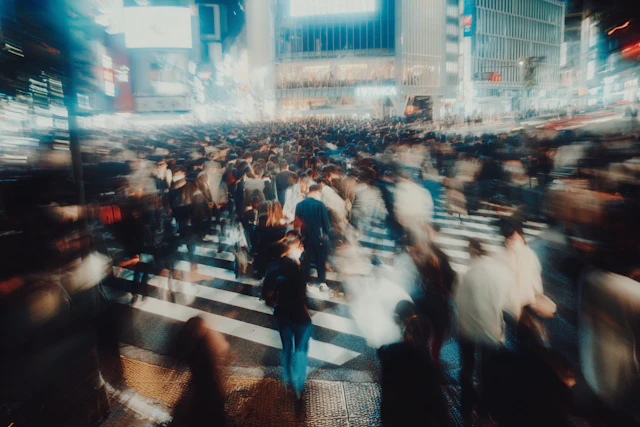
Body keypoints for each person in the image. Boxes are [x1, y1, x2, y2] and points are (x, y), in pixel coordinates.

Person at [454, 238, 513, 427]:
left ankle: (465, 408)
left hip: (468, 330)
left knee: (467, 368)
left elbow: (459, 302)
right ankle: (484, 410)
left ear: (472, 252)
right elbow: (506, 302)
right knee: (487, 371)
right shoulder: (501, 273)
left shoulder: (468, 274)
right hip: (491, 330)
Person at [378, 301, 453, 427]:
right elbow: (438, 401)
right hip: (419, 419)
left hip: (394, 417)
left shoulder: (391, 352)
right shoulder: (426, 362)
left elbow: (386, 388)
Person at [271, 236, 312, 399]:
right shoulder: (297, 269)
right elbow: (301, 295)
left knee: (287, 347)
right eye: (299, 247)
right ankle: (299, 384)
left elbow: (268, 295)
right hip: (300, 316)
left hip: (283, 315)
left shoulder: (275, 270)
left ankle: (288, 381)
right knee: (300, 349)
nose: (301, 250)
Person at [294, 184, 332, 291]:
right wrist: (328, 236)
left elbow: (296, 223)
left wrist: (298, 236)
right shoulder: (320, 205)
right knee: (321, 259)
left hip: (304, 237)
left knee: (306, 260)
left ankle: (306, 281)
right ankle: (322, 282)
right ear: (318, 192)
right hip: (318, 237)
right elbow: (326, 224)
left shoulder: (299, 205)